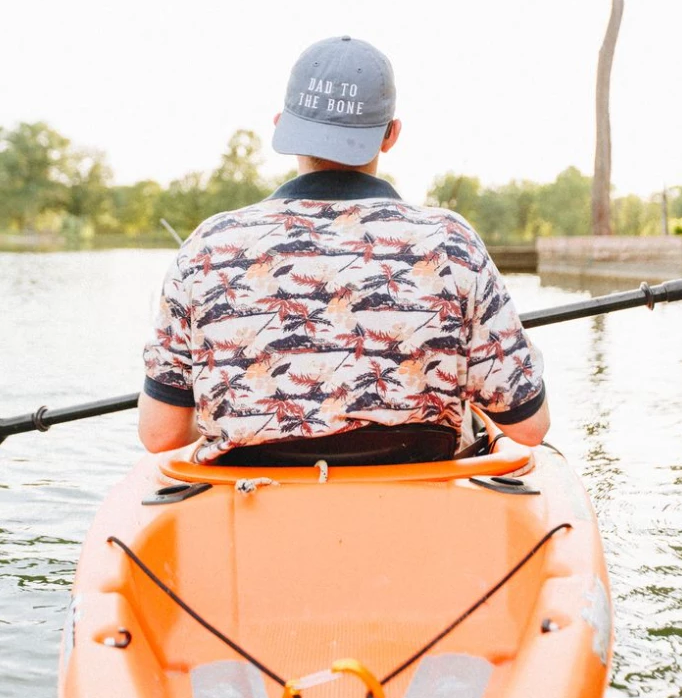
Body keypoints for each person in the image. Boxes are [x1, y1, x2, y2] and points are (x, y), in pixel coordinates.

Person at [139, 36, 549, 461]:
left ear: (281, 125)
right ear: (391, 135)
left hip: (252, 498)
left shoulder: (207, 247)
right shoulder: (452, 242)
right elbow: (529, 427)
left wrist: (221, 417)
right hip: (419, 497)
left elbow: (160, 435)